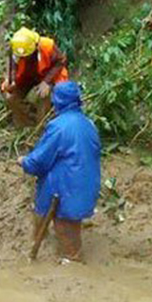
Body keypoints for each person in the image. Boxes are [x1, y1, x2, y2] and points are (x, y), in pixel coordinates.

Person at [18, 82, 101, 262]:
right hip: (86, 187)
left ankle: (69, 262)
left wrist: (25, 162)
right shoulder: (89, 124)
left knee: (68, 240)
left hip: (65, 190)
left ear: (57, 102)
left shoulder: (58, 126)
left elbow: (40, 160)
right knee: (66, 226)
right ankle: (46, 251)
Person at [1, 27, 69, 127]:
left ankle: (42, 124)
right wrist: (11, 80)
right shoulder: (16, 49)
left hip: (47, 75)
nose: (24, 58)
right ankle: (28, 123)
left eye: (27, 56)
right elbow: (13, 66)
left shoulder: (47, 45)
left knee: (44, 95)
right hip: (26, 77)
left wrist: (46, 82)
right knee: (11, 98)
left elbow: (60, 61)